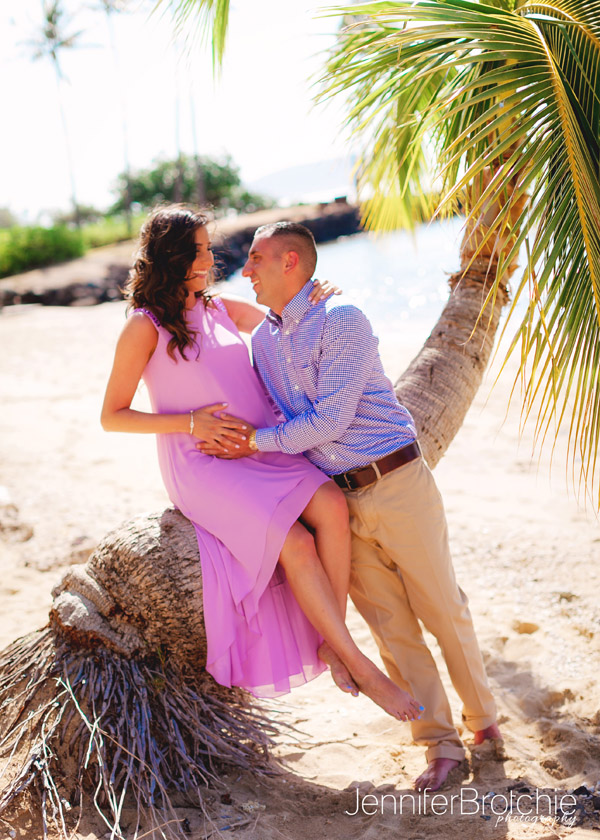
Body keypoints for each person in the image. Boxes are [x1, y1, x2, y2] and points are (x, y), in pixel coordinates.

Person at [199, 221, 502, 792]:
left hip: (398, 484)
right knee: (390, 628)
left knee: (442, 608)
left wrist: (255, 443)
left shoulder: (342, 318)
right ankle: (440, 744)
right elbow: (237, 338)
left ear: (291, 262)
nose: (247, 269)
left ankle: (483, 719)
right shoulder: (264, 343)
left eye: (257, 259)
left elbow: (330, 420)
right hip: (337, 502)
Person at [100, 204, 422, 724]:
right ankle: (359, 664)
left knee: (332, 507)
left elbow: (286, 321)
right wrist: (190, 423)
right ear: (175, 256)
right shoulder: (144, 326)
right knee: (294, 543)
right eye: (202, 250)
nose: (213, 258)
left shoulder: (219, 308)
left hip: (261, 446)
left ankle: (332, 642)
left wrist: (318, 294)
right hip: (205, 462)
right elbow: (112, 416)